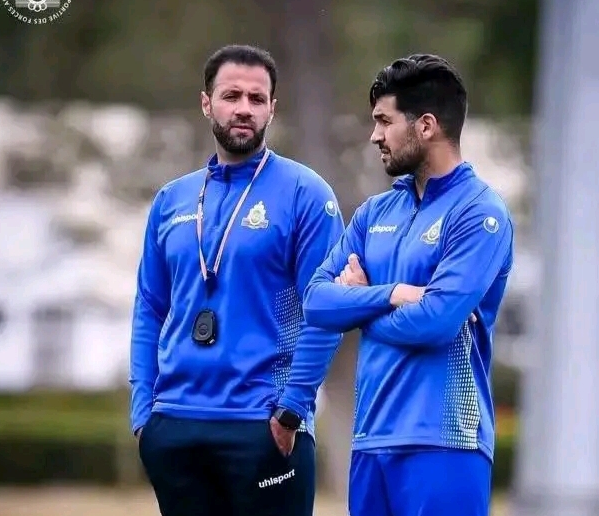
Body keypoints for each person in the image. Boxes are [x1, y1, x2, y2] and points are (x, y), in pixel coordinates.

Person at [129, 44, 344, 516]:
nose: (244, 108)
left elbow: (326, 311)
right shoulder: (172, 200)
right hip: (175, 426)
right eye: (231, 96)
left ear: (272, 108)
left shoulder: (306, 194)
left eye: (256, 98)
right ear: (207, 103)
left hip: (265, 426)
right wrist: (144, 412)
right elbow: (149, 306)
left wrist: (291, 411)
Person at [302, 54, 514, 516]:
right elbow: (315, 302)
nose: (374, 135)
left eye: (384, 121)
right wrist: (392, 294)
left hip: (445, 443)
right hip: (370, 440)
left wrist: (358, 306)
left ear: (426, 126)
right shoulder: (373, 213)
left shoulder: (480, 213)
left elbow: (436, 321)